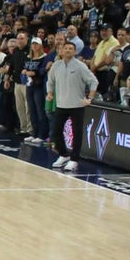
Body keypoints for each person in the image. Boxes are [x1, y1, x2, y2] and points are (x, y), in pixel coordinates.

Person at [46, 40, 98, 172]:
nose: (68, 50)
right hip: (61, 104)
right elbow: (50, 81)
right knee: (56, 131)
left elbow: (93, 81)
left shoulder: (80, 66)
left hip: (77, 105)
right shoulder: (56, 66)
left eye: (71, 48)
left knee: (77, 133)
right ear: (61, 50)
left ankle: (74, 159)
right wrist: (50, 93)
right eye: (66, 48)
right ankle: (63, 155)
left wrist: (90, 98)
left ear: (75, 52)